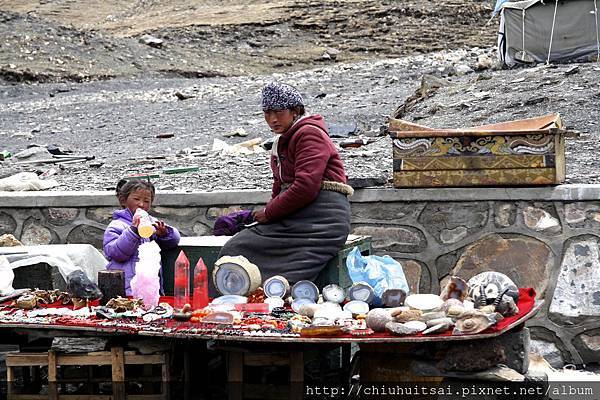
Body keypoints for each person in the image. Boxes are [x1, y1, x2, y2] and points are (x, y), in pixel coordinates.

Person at [218, 82, 353, 286]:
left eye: (279, 113)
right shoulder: (283, 140)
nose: (272, 119)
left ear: (295, 111)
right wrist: (266, 215)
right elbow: (279, 186)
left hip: (321, 220)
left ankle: (280, 292)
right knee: (237, 247)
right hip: (297, 217)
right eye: (267, 113)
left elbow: (305, 187)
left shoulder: (309, 134)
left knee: (240, 249)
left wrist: (270, 213)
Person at [103, 179, 180, 295]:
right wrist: (133, 232)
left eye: (147, 201)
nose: (141, 205)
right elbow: (115, 253)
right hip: (126, 290)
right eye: (136, 199)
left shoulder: (151, 222)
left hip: (149, 288)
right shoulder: (117, 225)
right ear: (123, 201)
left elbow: (174, 240)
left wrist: (165, 233)